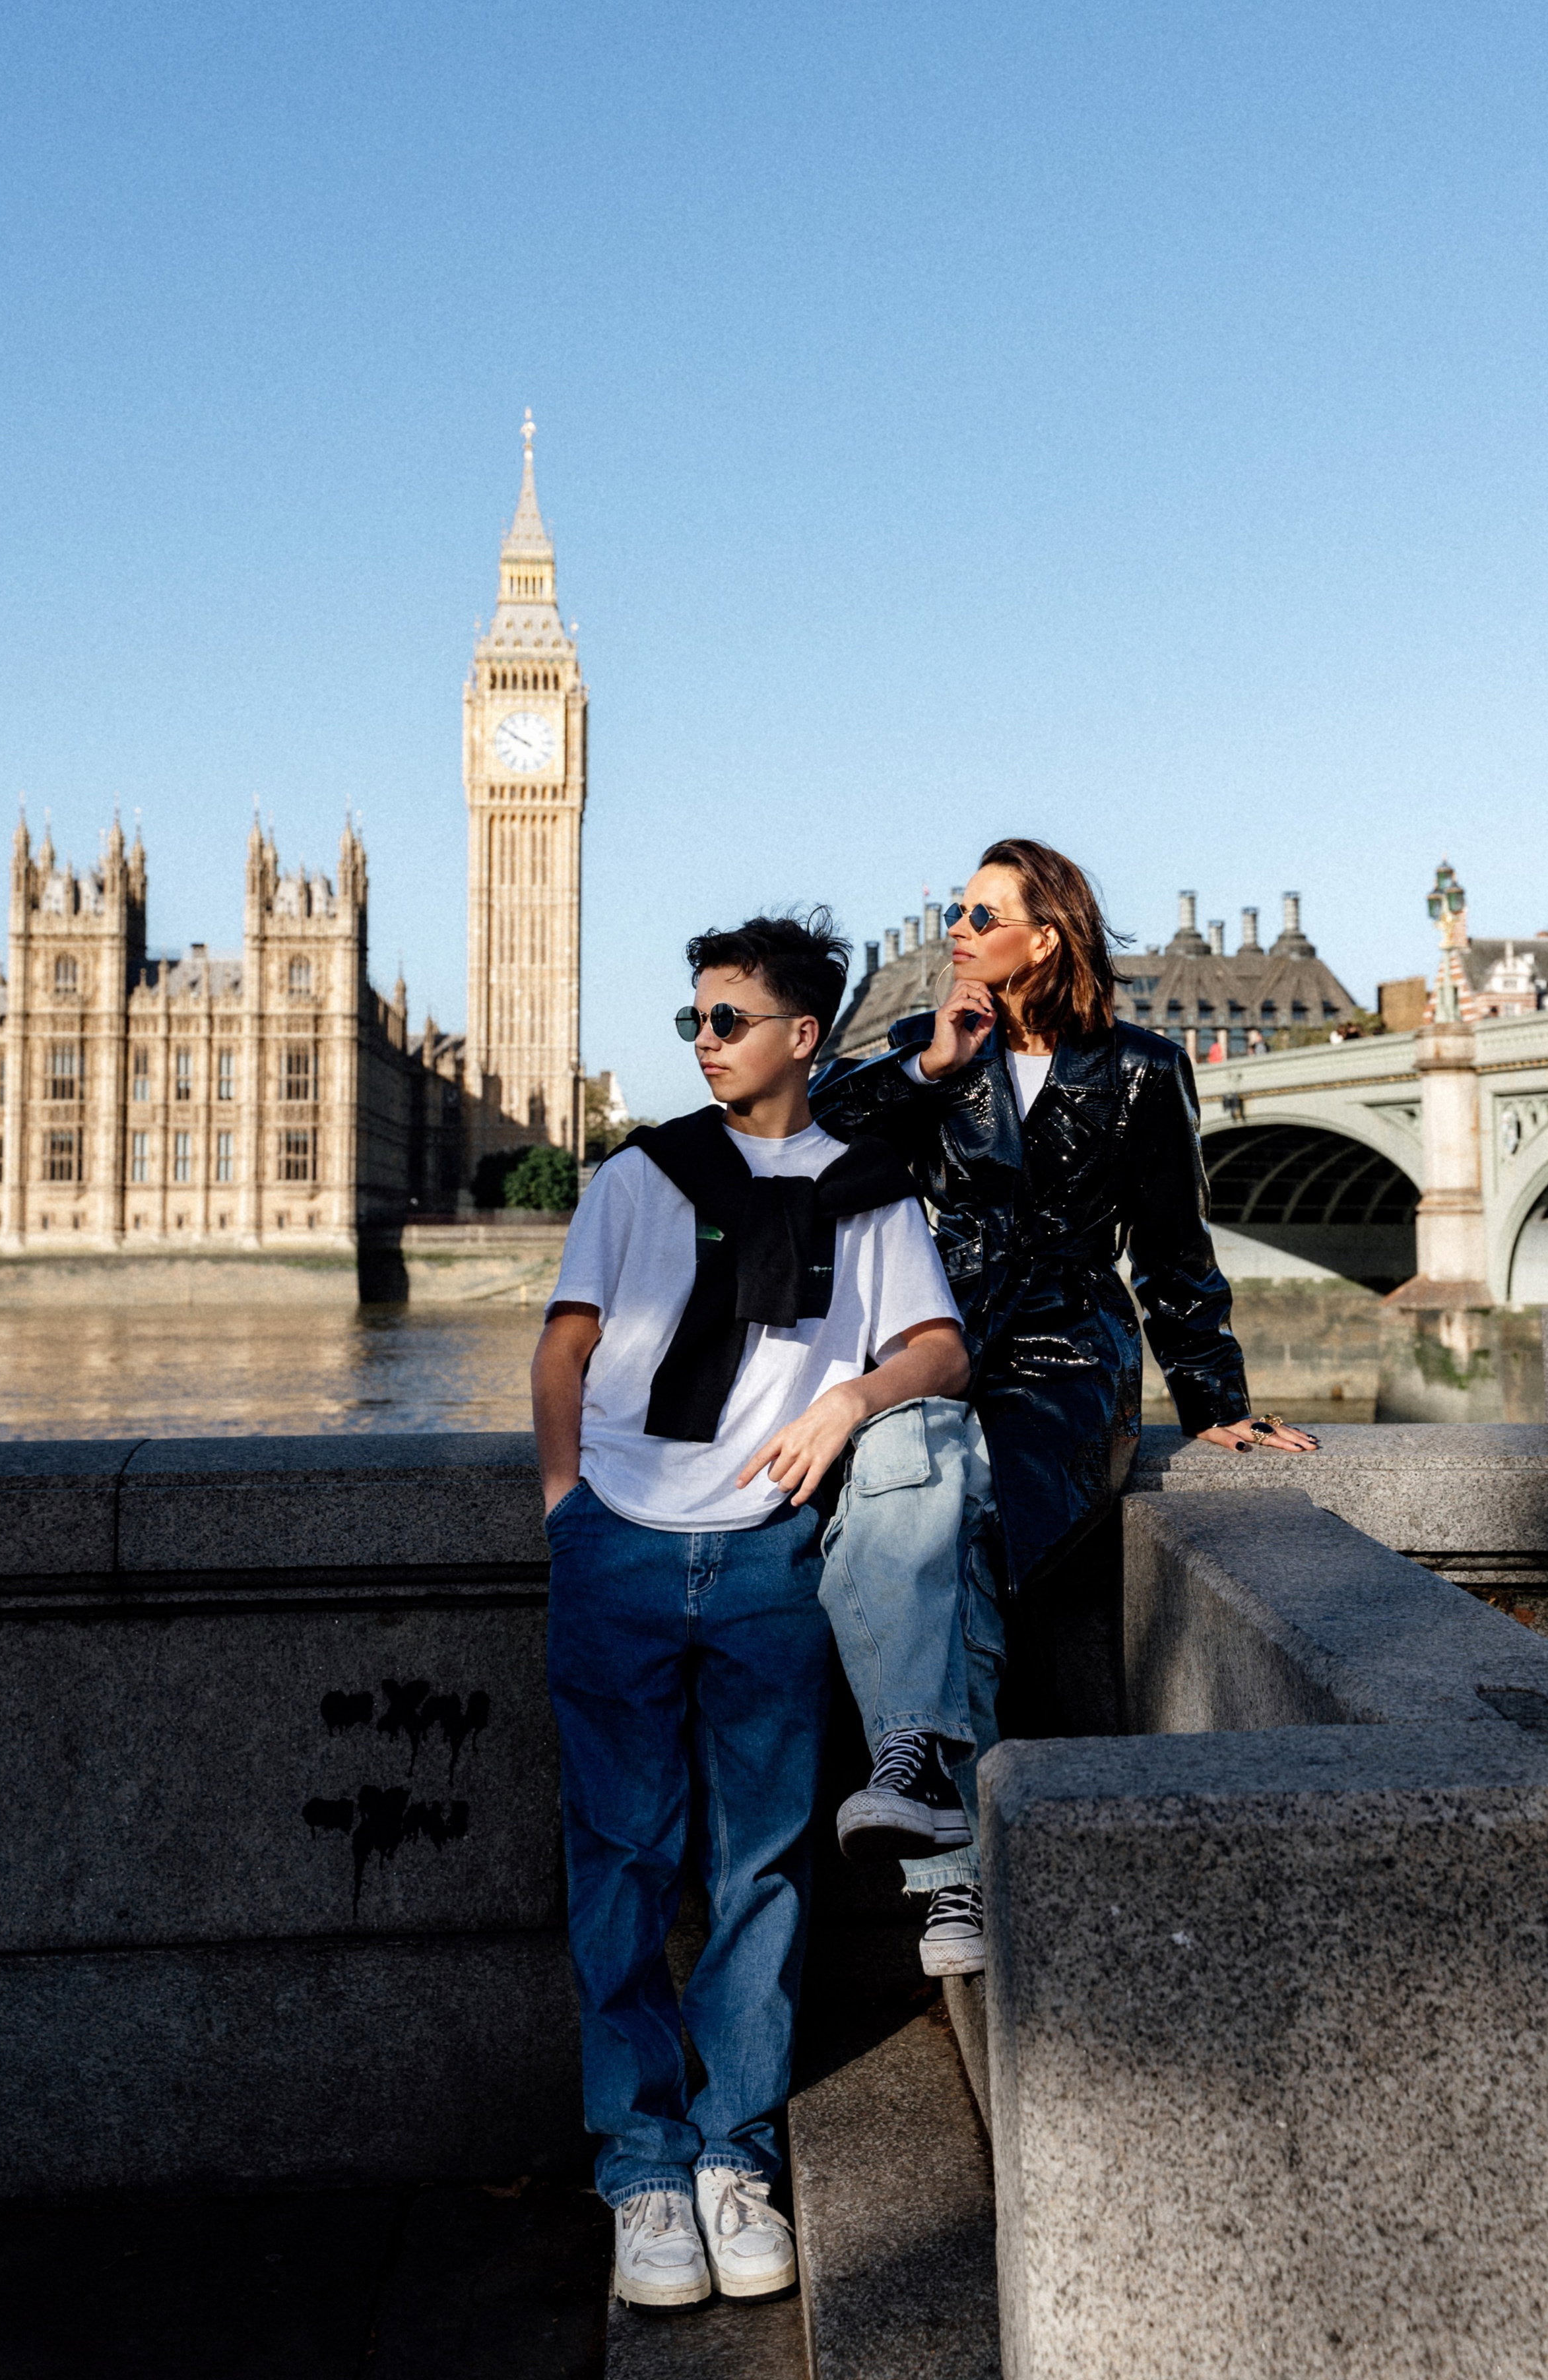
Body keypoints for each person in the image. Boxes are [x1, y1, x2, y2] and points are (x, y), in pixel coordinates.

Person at [532, 910, 968, 2314]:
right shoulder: (635, 1175)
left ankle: (734, 2151)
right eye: (693, 1020)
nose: (703, 1041)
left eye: (726, 1019)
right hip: (622, 1547)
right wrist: (564, 1507)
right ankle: (642, 2165)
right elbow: (565, 1345)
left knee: (760, 1868)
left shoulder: (865, 1188)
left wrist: (850, 1396)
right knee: (619, 1859)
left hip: (769, 1557)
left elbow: (940, 1347)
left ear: (801, 1035)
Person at [810, 838, 1318, 1969]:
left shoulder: (1140, 1069)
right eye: (955, 909)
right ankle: (953, 1854)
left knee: (955, 1515)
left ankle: (930, 1822)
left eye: (982, 915)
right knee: (919, 1504)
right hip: (942, 1347)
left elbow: (1177, 1253)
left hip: (1064, 1362)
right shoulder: (931, 1051)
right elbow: (815, 1142)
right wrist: (933, 1065)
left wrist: (1215, 1400)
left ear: (1045, 938)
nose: (958, 928)